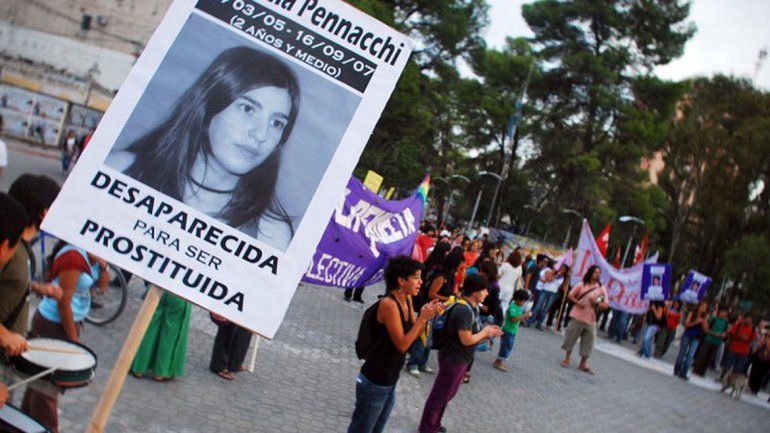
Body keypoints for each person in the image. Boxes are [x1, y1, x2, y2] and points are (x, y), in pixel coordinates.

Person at [107, 46, 301, 251]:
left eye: (277, 123)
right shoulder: (121, 170)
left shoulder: (270, 234)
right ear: (209, 105)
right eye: (247, 109)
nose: (261, 135)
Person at [346, 256, 442, 433]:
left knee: (377, 429)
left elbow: (414, 336)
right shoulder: (389, 304)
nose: (421, 282)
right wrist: (422, 318)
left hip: (389, 380)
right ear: (401, 280)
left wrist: (427, 315)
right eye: (416, 277)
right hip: (375, 381)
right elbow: (402, 345)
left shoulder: (407, 299)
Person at [21, 242, 109, 433]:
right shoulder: (73, 258)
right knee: (47, 389)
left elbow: (102, 288)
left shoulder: (94, 258)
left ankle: (22, 424)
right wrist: (74, 343)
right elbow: (63, 304)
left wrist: (104, 267)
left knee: (38, 384)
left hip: (69, 322)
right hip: (52, 324)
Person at [418, 274, 502, 433]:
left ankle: (434, 424)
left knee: (446, 394)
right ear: (475, 292)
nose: (486, 293)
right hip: (454, 358)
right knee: (440, 395)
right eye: (484, 290)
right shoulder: (463, 310)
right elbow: (466, 339)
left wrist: (486, 332)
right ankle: (427, 427)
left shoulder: (470, 306)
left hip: (459, 357)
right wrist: (486, 332)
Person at [1, 176, 62, 367]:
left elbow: (13, 281)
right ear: (44, 211)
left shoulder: (22, 248)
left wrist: (37, 287)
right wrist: (4, 334)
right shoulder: (10, 249)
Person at [130, 291, 192, 381]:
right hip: (180, 294)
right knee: (171, 334)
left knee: (149, 328)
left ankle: (138, 367)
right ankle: (161, 372)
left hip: (158, 289)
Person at [560, 265, 608, 374]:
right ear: (591, 273)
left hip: (591, 319)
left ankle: (583, 363)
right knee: (571, 338)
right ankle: (567, 358)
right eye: (596, 272)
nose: (598, 274)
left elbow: (606, 305)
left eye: (599, 272)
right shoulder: (581, 285)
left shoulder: (601, 288)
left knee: (589, 341)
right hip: (577, 316)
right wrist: (578, 303)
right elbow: (570, 295)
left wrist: (597, 303)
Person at [493, 289, 531, 372]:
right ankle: (498, 362)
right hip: (508, 330)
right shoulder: (513, 307)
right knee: (505, 346)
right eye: (523, 301)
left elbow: (518, 319)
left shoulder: (519, 307)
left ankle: (500, 360)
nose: (523, 303)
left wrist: (524, 318)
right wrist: (524, 316)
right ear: (517, 299)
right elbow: (513, 319)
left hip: (513, 331)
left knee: (508, 346)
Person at [673, 301, 708, 380]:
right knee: (682, 352)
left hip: (696, 337)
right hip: (688, 335)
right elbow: (687, 324)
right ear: (699, 306)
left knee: (690, 355)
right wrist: (697, 321)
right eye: (702, 307)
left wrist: (704, 322)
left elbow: (706, 330)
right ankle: (677, 369)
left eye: (705, 308)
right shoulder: (692, 313)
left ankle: (684, 372)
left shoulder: (704, 317)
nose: (703, 309)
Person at [527, 263, 568, 330]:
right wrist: (555, 274)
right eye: (561, 267)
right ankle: (529, 321)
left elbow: (562, 286)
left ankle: (539, 324)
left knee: (545, 309)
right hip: (544, 291)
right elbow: (548, 279)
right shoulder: (551, 272)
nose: (561, 269)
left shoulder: (562, 278)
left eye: (563, 269)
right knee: (537, 306)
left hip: (553, 294)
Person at [692, 306, 729, 377]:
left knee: (710, 358)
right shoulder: (713, 319)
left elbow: (726, 332)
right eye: (723, 312)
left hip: (717, 342)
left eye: (725, 313)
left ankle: (702, 372)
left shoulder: (725, 323)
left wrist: (723, 335)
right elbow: (706, 329)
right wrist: (714, 333)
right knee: (702, 355)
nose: (724, 314)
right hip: (708, 340)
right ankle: (696, 370)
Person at [720, 313, 758, 381]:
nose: (748, 320)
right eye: (747, 318)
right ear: (744, 318)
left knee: (738, 369)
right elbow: (731, 333)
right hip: (733, 349)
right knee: (727, 366)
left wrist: (747, 339)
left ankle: (732, 381)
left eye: (750, 319)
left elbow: (754, 339)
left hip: (743, 352)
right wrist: (739, 336)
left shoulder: (753, 329)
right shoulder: (738, 325)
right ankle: (722, 379)